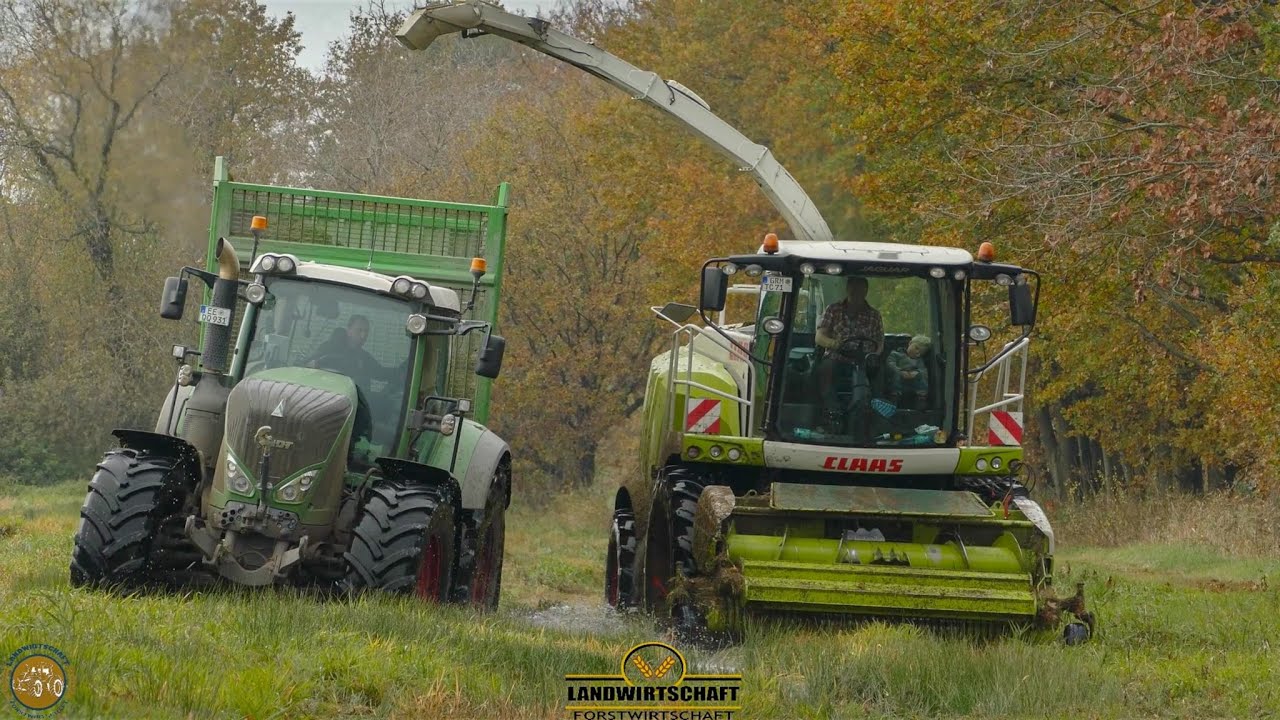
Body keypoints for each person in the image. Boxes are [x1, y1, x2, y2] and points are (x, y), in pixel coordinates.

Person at [814, 277, 884, 422]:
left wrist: (874, 355)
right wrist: (834, 344)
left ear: (866, 291)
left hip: (865, 359)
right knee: (824, 369)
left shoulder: (874, 315)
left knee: (883, 373)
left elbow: (880, 342)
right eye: (853, 288)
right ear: (847, 289)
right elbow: (819, 337)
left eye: (860, 288)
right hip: (837, 357)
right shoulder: (833, 309)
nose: (856, 291)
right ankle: (833, 411)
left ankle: (877, 413)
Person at [307, 315, 400, 388]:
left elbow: (380, 373)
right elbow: (309, 365)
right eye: (359, 330)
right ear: (349, 330)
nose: (363, 335)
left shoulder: (364, 358)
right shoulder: (328, 348)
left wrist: (402, 373)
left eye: (366, 331)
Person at [886, 335, 931, 408]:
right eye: (916, 348)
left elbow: (923, 369)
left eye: (921, 352)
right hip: (897, 381)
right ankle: (894, 397)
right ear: (910, 343)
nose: (917, 352)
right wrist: (899, 371)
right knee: (895, 373)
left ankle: (921, 398)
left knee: (923, 374)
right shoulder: (896, 354)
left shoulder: (919, 360)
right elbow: (890, 364)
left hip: (912, 384)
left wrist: (917, 373)